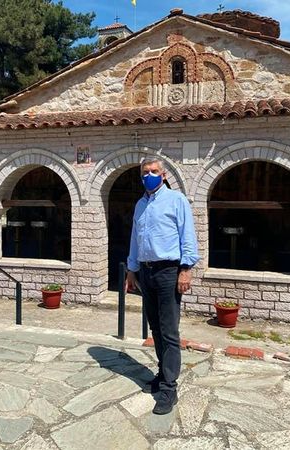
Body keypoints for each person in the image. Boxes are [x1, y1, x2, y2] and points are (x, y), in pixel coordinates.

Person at [125, 157, 199, 415]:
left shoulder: (177, 200)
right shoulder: (140, 204)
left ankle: (169, 388)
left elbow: (187, 235)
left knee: (169, 331)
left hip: (169, 271)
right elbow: (135, 238)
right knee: (155, 327)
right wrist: (131, 269)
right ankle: (162, 372)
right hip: (146, 272)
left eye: (154, 171)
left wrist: (186, 269)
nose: (149, 176)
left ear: (164, 175)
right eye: (145, 173)